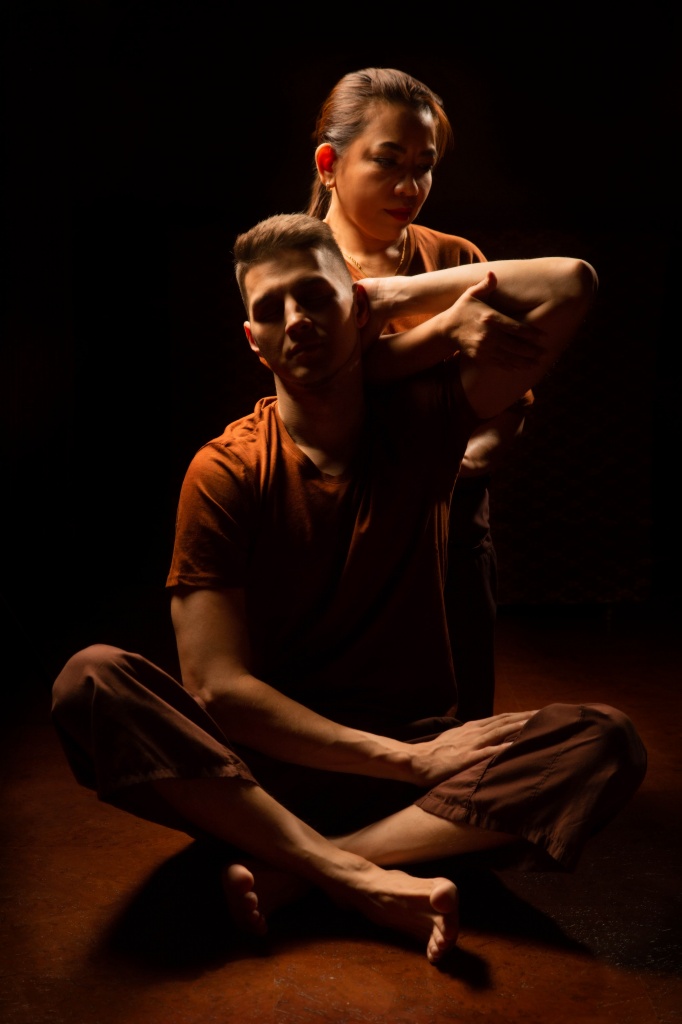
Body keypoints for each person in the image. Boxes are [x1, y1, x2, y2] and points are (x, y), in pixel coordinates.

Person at [51, 213, 646, 966]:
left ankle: (300, 868)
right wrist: (404, 763)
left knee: (603, 742)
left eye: (315, 296)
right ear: (254, 341)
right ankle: (356, 874)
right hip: (264, 769)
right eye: (271, 309)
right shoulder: (226, 469)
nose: (296, 320)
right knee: (91, 681)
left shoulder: (426, 417)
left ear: (359, 306)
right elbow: (218, 689)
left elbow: (568, 285)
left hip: (408, 758)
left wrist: (390, 300)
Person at [307, 66, 533, 721]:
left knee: (463, 724)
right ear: (330, 164)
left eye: (424, 167)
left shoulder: (459, 259)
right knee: (348, 729)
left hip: (453, 535)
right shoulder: (291, 265)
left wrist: (463, 464)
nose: (411, 188)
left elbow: (510, 400)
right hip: (339, 544)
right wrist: (444, 333)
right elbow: (316, 395)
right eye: (388, 161)